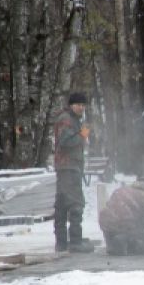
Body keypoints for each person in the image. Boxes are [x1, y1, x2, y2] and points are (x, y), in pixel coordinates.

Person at [53, 91, 94, 253]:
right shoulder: (67, 120)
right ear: (71, 105)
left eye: (83, 105)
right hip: (69, 167)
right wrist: (82, 135)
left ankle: (62, 242)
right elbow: (65, 142)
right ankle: (75, 241)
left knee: (62, 204)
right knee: (76, 203)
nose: (81, 108)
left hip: (67, 167)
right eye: (78, 105)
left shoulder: (71, 119)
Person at [99, 175, 144, 256]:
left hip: (106, 224)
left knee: (115, 243)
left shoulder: (121, 190)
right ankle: (125, 240)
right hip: (125, 224)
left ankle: (113, 246)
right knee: (142, 244)